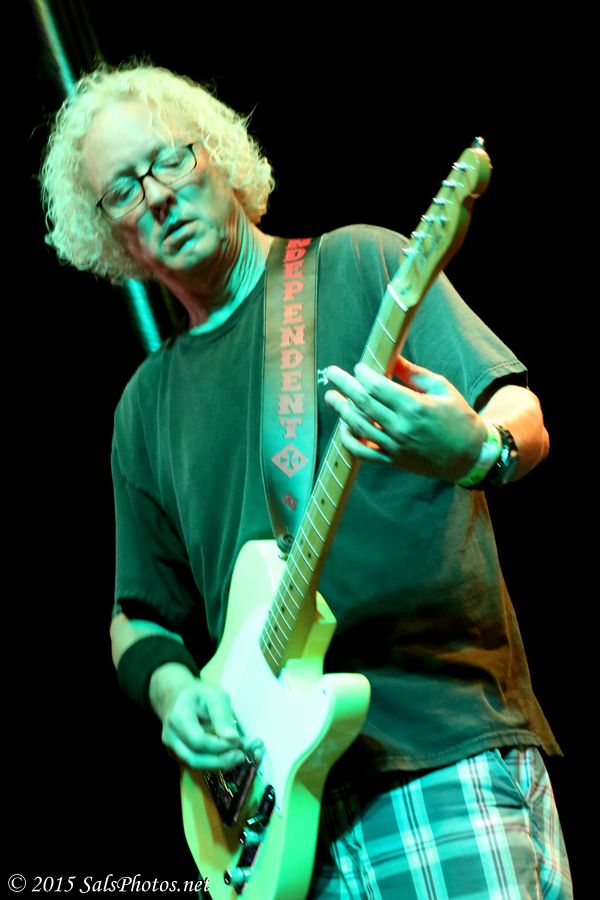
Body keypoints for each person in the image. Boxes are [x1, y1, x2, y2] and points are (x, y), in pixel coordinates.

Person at [40, 61, 573, 898]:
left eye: (171, 158)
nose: (158, 195)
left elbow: (521, 414)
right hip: (276, 812)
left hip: (431, 756)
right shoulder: (144, 407)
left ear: (219, 155)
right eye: (123, 191)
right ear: (110, 237)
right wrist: (174, 694)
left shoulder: (359, 263)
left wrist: (479, 449)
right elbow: (138, 616)